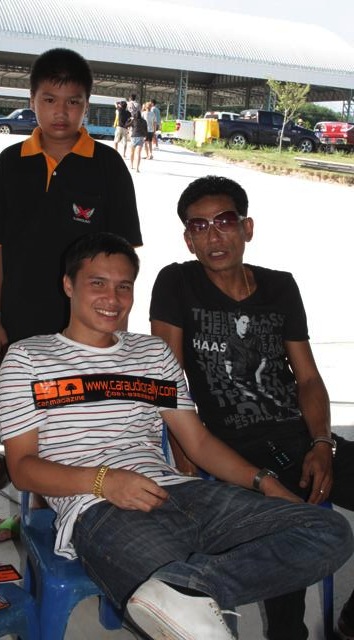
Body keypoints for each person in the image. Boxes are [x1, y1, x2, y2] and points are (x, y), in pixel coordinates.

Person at [0, 231, 353, 640]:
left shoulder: (152, 353)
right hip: (100, 508)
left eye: (124, 286)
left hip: (185, 493)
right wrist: (103, 481)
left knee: (328, 531)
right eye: (98, 283)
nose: (113, 298)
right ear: (68, 285)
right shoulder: (28, 358)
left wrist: (264, 482)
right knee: (201, 627)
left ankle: (188, 589)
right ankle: (189, 596)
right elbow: (22, 469)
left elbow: (197, 442)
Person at [149, 175, 354, 640]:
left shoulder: (280, 287)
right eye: (199, 226)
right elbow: (168, 381)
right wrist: (184, 455)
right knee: (286, 536)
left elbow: (308, 378)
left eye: (224, 221)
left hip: (300, 439)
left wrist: (322, 443)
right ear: (188, 239)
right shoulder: (177, 282)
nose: (213, 236)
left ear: (247, 228)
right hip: (233, 452)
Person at [0, 47, 142, 541]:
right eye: (49, 100)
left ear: (87, 105)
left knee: (79, 425)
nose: (60, 113)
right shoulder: (11, 163)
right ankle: (32, 516)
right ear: (32, 100)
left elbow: (124, 259)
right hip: (19, 325)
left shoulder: (107, 166)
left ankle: (79, 518)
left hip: (86, 329)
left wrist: (116, 330)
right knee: (24, 428)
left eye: (73, 102)